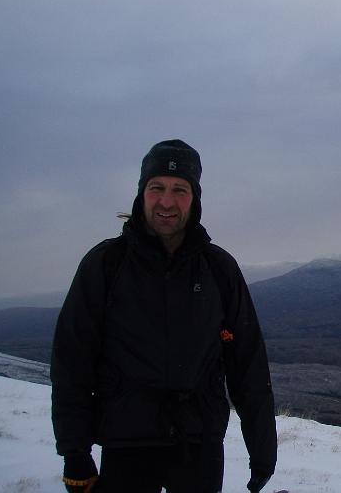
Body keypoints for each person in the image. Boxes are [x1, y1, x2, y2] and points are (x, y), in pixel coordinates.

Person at [51, 140, 277, 493]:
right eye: (157, 187)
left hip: (198, 447)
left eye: (180, 190)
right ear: (142, 193)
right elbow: (72, 361)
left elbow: (248, 363)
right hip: (126, 446)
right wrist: (74, 451)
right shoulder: (106, 265)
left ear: (195, 198)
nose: (167, 202)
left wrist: (262, 451)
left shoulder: (218, 269)